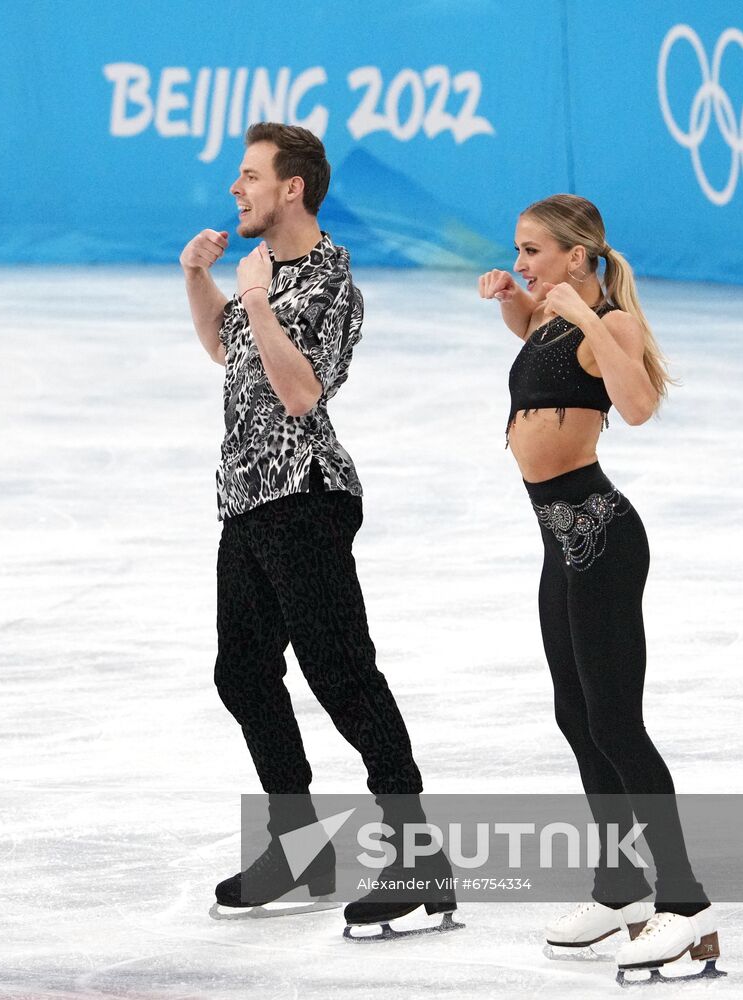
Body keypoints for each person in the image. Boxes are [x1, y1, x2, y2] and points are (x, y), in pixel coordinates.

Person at [180, 122, 456, 939]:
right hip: (248, 498)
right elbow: (221, 345)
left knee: (341, 673)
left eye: (250, 175)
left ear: (291, 187)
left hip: (304, 492)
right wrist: (200, 277)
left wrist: (256, 297)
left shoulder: (329, 279)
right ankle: (297, 845)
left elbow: (301, 393)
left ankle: (418, 861)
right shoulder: (266, 275)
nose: (236, 188)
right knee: (242, 672)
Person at [478, 194, 722, 981]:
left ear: (578, 256)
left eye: (534, 253)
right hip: (560, 543)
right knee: (575, 715)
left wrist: (584, 319)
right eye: (518, 250)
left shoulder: (606, 321)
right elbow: (541, 350)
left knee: (615, 721)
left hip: (603, 540)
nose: (522, 261)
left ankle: (684, 905)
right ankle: (619, 885)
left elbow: (639, 406)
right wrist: (517, 302)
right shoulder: (551, 317)